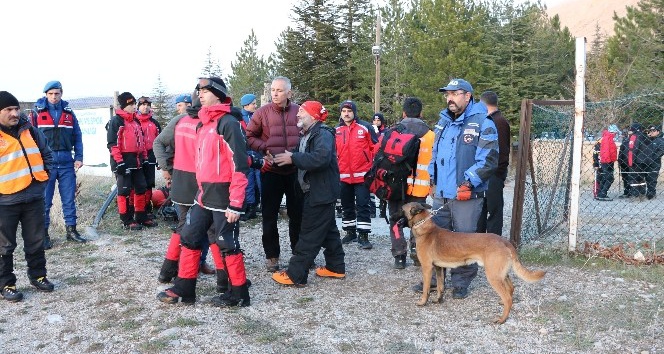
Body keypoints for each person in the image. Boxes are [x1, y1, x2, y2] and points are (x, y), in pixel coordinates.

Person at [157, 77, 251, 307]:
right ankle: (184, 289)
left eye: (206, 90)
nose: (200, 93)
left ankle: (238, 294)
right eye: (199, 90)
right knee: (189, 236)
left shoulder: (228, 123)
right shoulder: (203, 123)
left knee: (226, 242)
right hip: (203, 195)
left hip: (224, 196)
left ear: (218, 94)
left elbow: (240, 164)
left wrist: (236, 202)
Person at [419, 79, 498, 299]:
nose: (449, 98)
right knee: (434, 238)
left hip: (467, 195)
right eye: (447, 95)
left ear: (468, 96)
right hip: (441, 194)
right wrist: (432, 180)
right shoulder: (442, 122)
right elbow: (435, 155)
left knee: (465, 241)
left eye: (454, 94)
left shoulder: (484, 122)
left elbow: (489, 159)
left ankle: (461, 283)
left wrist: (468, 182)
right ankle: (433, 281)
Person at [270, 101, 346, 286]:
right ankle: (336, 267)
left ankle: (296, 275)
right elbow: (299, 156)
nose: (297, 114)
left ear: (313, 116)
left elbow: (321, 158)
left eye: (302, 112)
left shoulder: (323, 134)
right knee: (328, 231)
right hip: (318, 190)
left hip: (320, 191)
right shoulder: (307, 134)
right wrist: (280, 159)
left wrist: (293, 157)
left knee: (309, 233)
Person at [153, 92, 216, 284]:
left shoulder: (183, 121)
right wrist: (166, 168)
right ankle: (180, 269)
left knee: (185, 226)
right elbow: (159, 143)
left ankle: (171, 270)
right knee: (204, 227)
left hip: (185, 181)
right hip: (195, 182)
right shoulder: (204, 123)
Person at [0, 91, 55, 302]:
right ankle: (6, 284)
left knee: (36, 240)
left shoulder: (29, 130)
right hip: (5, 201)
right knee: (5, 246)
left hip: (33, 196)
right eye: (8, 110)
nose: (15, 113)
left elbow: (46, 153)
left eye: (16, 109)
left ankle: (38, 276)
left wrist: (45, 177)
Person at [246, 77, 303, 272]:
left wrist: (300, 156)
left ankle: (299, 253)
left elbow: (309, 134)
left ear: (289, 93)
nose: (275, 94)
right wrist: (264, 149)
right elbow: (249, 136)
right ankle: (272, 256)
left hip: (295, 171)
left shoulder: (299, 111)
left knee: (297, 215)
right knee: (269, 216)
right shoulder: (262, 113)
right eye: (273, 90)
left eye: (279, 90)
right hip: (271, 172)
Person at [29, 80, 86, 249]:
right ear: (46, 94)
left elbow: (77, 136)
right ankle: (43, 235)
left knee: (69, 199)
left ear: (61, 94)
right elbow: (29, 140)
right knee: (45, 201)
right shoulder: (36, 114)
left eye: (57, 93)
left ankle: (71, 231)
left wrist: (79, 156)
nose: (54, 97)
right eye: (50, 94)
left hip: (67, 162)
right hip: (46, 164)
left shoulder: (69, 113)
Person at [387, 97, 434, 269]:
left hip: (395, 186)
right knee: (419, 220)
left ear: (403, 113)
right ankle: (417, 250)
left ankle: (399, 256)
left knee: (395, 219)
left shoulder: (393, 131)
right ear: (421, 113)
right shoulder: (431, 135)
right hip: (420, 188)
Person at [107, 92, 151, 230]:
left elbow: (142, 142)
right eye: (131, 104)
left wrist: (144, 158)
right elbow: (112, 144)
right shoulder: (116, 121)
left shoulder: (135, 121)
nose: (133, 107)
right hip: (123, 160)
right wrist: (119, 162)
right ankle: (126, 220)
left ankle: (141, 216)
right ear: (124, 106)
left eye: (133, 104)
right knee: (124, 191)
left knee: (141, 188)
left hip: (136, 160)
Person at [335, 100, 375, 249]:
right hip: (343, 175)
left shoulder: (365, 127)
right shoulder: (336, 130)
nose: (346, 114)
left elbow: (375, 147)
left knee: (363, 204)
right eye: (344, 111)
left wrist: (373, 168)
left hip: (363, 174)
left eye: (349, 111)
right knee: (346, 205)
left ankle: (363, 235)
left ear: (354, 113)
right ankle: (350, 232)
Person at [477, 91, 510, 234]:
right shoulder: (491, 120)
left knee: (494, 214)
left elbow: (501, 152)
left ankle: (494, 247)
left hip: (493, 174)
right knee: (480, 212)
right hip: (485, 174)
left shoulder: (498, 122)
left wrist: (499, 175)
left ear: (483, 104)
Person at [136, 96, 161, 221]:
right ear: (138, 106)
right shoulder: (134, 121)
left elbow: (161, 141)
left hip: (151, 155)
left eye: (148, 105)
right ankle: (138, 209)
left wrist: (160, 159)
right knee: (139, 184)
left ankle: (147, 208)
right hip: (138, 157)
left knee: (149, 184)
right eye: (143, 105)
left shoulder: (154, 123)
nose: (146, 107)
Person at [239, 93, 261, 221]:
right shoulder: (240, 119)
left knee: (260, 182)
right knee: (249, 182)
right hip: (247, 153)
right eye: (253, 103)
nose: (255, 105)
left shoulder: (257, 116)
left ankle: (258, 205)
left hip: (258, 152)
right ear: (246, 105)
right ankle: (250, 207)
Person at [591, 124, 619, 201]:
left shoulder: (607, 138)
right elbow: (596, 153)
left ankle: (600, 193)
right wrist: (596, 163)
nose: (616, 134)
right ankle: (601, 193)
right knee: (606, 178)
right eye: (615, 133)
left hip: (606, 161)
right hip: (604, 162)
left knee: (604, 178)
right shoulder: (605, 139)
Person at [372, 112, 388, 219]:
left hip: (383, 160)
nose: (376, 122)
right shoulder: (370, 130)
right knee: (372, 184)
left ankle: (382, 208)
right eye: (375, 120)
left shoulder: (386, 132)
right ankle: (372, 209)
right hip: (372, 160)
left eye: (378, 120)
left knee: (383, 184)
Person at [644, 125, 664, 199]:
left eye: (654, 131)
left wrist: (653, 158)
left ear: (658, 132)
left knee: (652, 178)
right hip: (646, 162)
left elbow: (661, 150)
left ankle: (651, 193)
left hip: (655, 163)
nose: (652, 132)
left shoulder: (660, 140)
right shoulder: (647, 139)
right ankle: (648, 192)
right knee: (646, 177)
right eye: (651, 131)